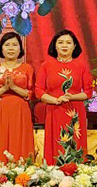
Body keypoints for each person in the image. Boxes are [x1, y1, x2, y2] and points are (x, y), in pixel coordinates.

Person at [35, 30, 93, 165]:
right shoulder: (46, 66)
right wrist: (55, 100)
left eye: (68, 42)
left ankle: (77, 174)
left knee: (75, 143)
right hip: (54, 111)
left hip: (75, 112)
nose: (64, 46)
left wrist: (72, 97)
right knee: (56, 143)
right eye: (60, 42)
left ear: (74, 46)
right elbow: (39, 91)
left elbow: (88, 92)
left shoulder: (81, 66)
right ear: (55, 46)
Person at [0, 32, 35, 163]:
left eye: (14, 45)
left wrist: (13, 87)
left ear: (20, 49)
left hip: (21, 111)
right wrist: (4, 89)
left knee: (20, 141)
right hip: (1, 110)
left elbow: (32, 94)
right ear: (1, 48)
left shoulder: (27, 68)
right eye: (7, 45)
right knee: (1, 141)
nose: (11, 48)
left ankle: (22, 173)